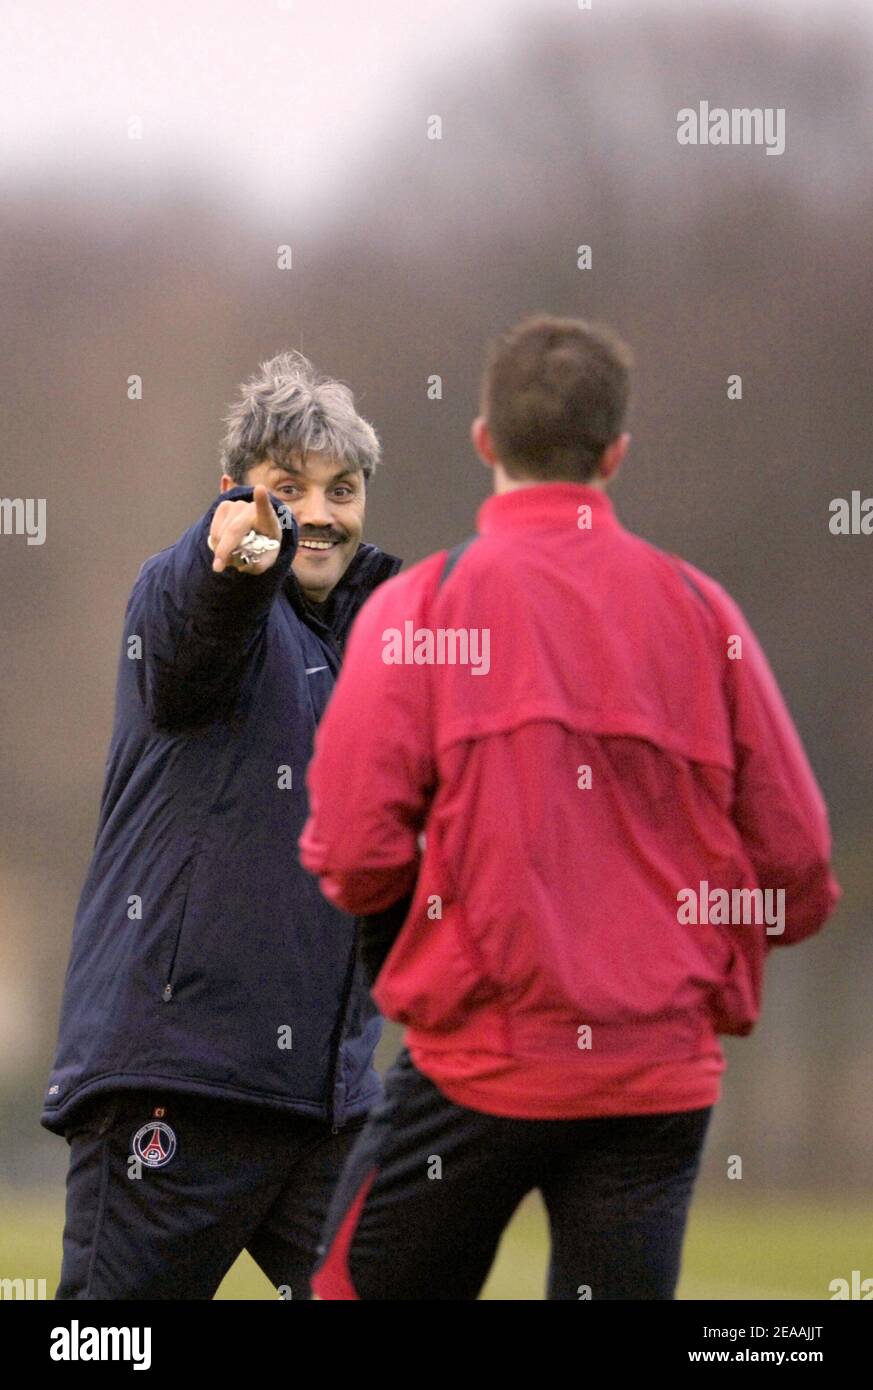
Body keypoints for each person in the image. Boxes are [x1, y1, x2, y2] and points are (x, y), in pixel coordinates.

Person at [299, 314, 841, 1300]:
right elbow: (799, 870)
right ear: (616, 452)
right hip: (658, 1079)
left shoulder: (423, 609)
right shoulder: (702, 611)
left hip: (479, 1065)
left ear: (483, 440)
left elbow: (351, 850)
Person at [42, 350, 401, 1300]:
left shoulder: (373, 642)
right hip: (180, 1079)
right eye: (288, 488)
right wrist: (237, 564)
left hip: (327, 1103)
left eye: (341, 489)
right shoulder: (187, 587)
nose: (316, 513)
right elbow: (197, 636)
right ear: (234, 494)